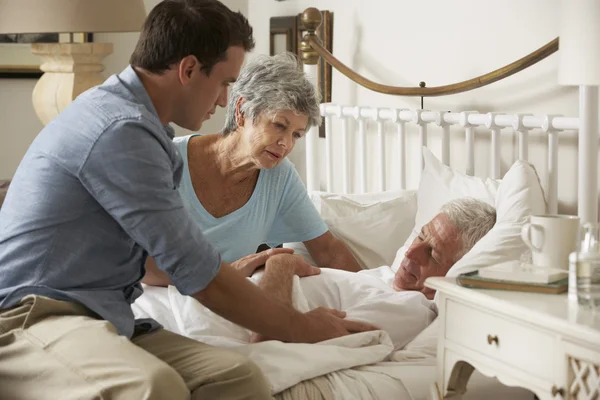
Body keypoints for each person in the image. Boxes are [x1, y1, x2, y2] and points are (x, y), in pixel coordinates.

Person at [0, 1, 374, 400]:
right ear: (189, 69)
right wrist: (301, 326)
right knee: (152, 387)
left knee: (238, 377)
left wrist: (278, 267)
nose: (222, 101)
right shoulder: (120, 130)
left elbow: (167, 261)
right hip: (33, 316)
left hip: (105, 314)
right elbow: (194, 269)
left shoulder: (148, 131)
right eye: (225, 83)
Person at [143, 53, 362, 290]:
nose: (286, 144)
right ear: (242, 111)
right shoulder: (164, 159)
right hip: (155, 299)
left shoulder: (279, 176)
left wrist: (374, 293)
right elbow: (134, 261)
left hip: (224, 304)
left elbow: (328, 251)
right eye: (279, 125)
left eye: (296, 135)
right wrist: (227, 272)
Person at [249, 198, 497, 347]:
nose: (410, 254)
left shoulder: (409, 310)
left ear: (455, 274)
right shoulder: (382, 278)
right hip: (231, 304)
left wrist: (280, 266)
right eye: (420, 236)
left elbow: (268, 340)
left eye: (432, 255)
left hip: (237, 320)